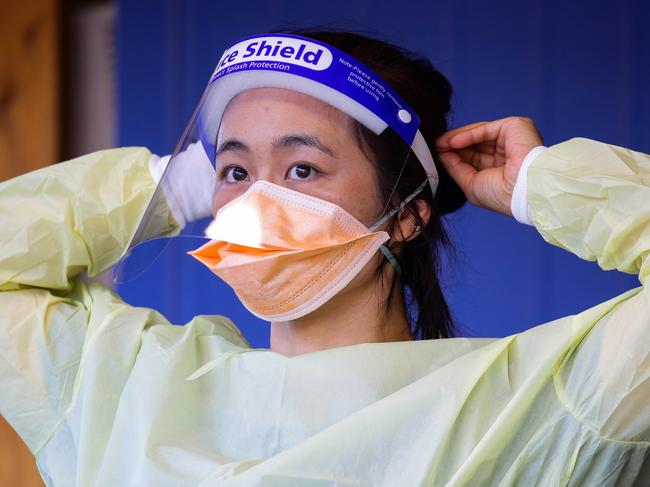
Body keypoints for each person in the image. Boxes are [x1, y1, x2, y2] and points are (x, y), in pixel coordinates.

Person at [0, 30, 648, 486]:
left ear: (406, 215)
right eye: (234, 170)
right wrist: (177, 184)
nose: (257, 200)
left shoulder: (527, 406)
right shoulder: (122, 387)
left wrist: (543, 182)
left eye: (302, 167)